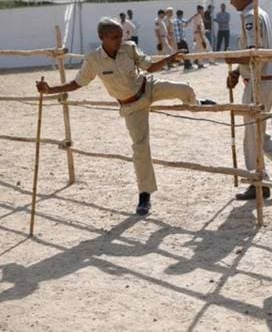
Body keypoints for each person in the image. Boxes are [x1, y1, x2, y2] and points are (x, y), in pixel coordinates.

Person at [35, 18, 215, 216]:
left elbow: (149, 67)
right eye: (114, 37)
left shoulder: (129, 48)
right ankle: (145, 194)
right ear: (101, 38)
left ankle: (196, 103)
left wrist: (170, 58)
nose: (119, 40)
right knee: (140, 148)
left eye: (120, 35)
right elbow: (77, 83)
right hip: (131, 106)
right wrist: (51, 90)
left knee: (184, 88)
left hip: (149, 87)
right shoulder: (93, 60)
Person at [225, 0, 272, 200]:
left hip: (259, 81)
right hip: (260, 79)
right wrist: (238, 69)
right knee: (256, 130)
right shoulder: (258, 14)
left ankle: (258, 181)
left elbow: (254, 52)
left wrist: (230, 58)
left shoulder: (250, 16)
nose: (230, 1)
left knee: (250, 136)